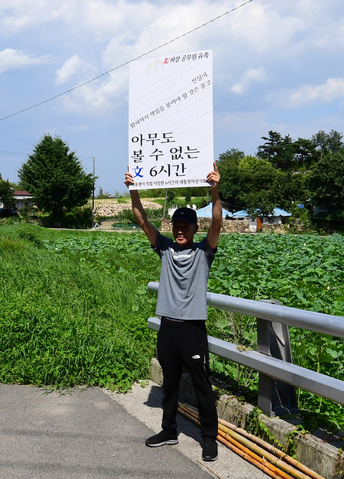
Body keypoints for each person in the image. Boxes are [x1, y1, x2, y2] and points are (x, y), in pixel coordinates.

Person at [124, 163, 222, 462]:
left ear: (195, 229)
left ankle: (209, 439)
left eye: (186, 226)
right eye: (176, 226)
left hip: (192, 329)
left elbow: (217, 222)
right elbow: (141, 220)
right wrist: (134, 189)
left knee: (203, 386)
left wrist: (214, 189)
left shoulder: (204, 251)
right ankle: (168, 430)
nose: (180, 230)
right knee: (169, 382)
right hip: (167, 326)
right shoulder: (165, 248)